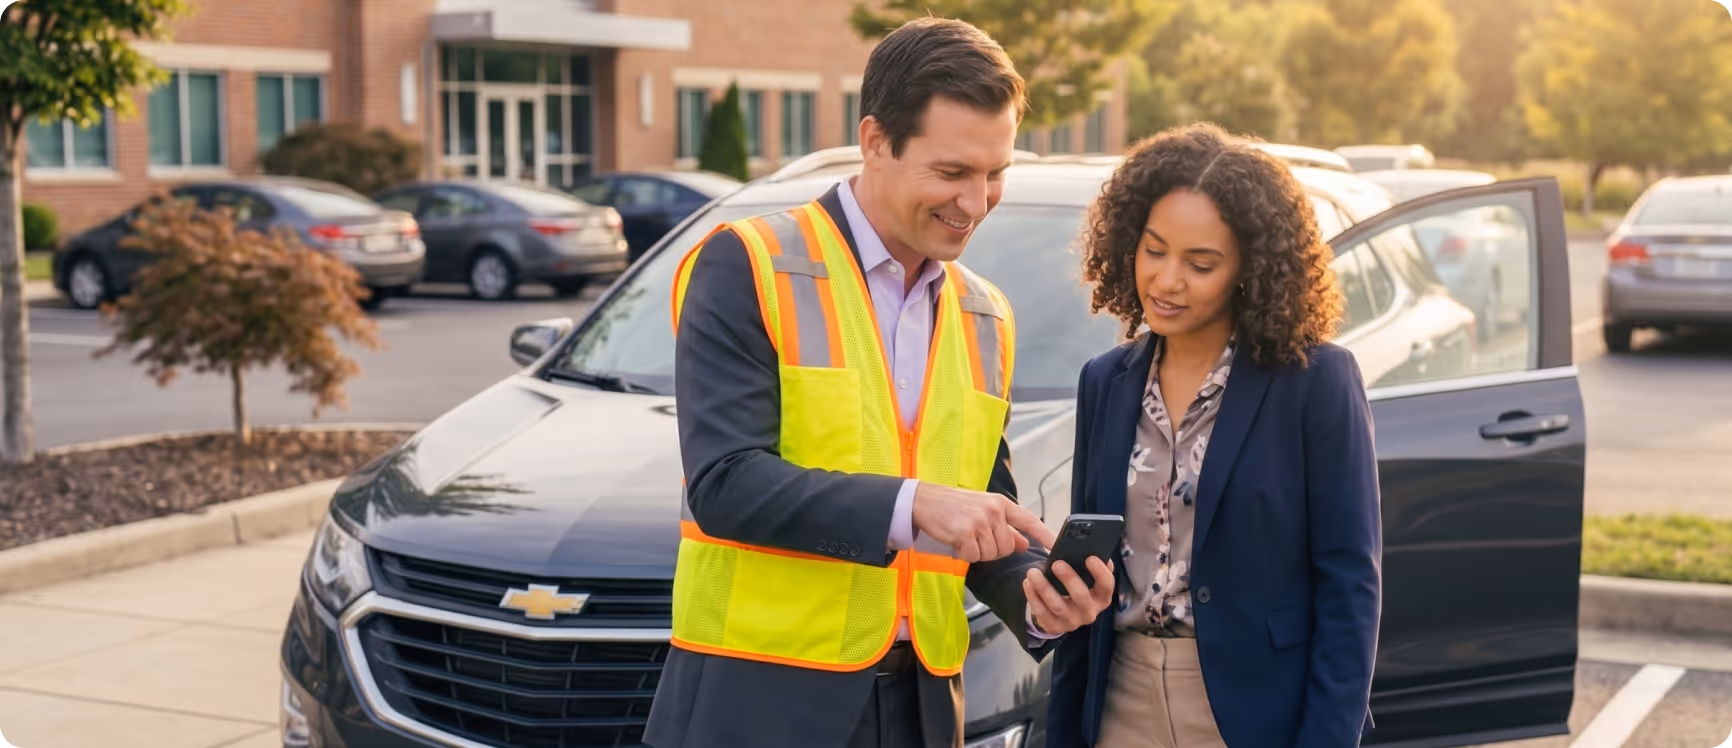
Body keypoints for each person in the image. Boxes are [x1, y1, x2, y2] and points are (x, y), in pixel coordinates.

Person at [646, 18, 1115, 748]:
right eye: (952, 172)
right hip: (759, 696)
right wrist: (918, 504)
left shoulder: (985, 312)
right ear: (874, 141)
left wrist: (1036, 591)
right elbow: (724, 485)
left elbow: (979, 514)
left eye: (996, 173)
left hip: (924, 705)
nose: (976, 201)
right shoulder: (750, 263)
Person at [1046, 123, 1383, 748]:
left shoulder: (1316, 382)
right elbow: (1087, 571)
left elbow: (1350, 586)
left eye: (1200, 264)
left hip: (1257, 709)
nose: (1168, 280)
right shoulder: (1105, 381)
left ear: (1249, 269)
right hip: (1120, 699)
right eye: (1154, 250)